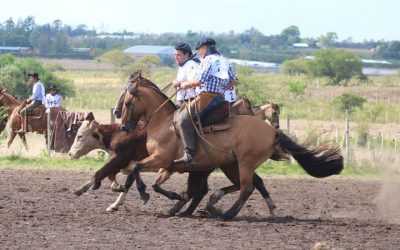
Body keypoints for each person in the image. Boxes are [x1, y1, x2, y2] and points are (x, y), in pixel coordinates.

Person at [173, 37, 234, 164]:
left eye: (199, 50)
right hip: (221, 98)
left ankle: (189, 154)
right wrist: (220, 86)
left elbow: (198, 81)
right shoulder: (224, 60)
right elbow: (232, 81)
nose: (199, 52)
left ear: (205, 48)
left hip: (206, 97)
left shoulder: (208, 60)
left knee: (183, 120)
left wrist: (183, 85)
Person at [172, 42, 200, 107]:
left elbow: (194, 83)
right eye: (175, 55)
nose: (176, 57)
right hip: (183, 101)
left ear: (186, 55)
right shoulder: (183, 64)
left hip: (191, 101)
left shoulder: (191, 64)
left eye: (178, 55)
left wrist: (178, 84)